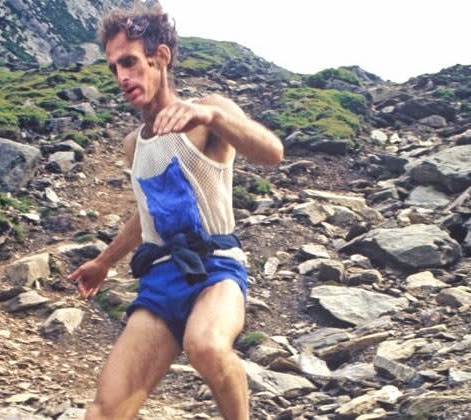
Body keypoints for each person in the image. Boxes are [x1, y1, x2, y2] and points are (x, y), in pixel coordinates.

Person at [68, 4, 283, 419]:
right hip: (162, 279)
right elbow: (147, 212)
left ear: (160, 57)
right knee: (103, 411)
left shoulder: (208, 113)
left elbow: (272, 153)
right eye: (114, 68)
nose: (122, 77)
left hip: (216, 267)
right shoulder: (135, 143)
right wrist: (103, 262)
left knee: (205, 345)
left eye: (130, 62)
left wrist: (214, 114)